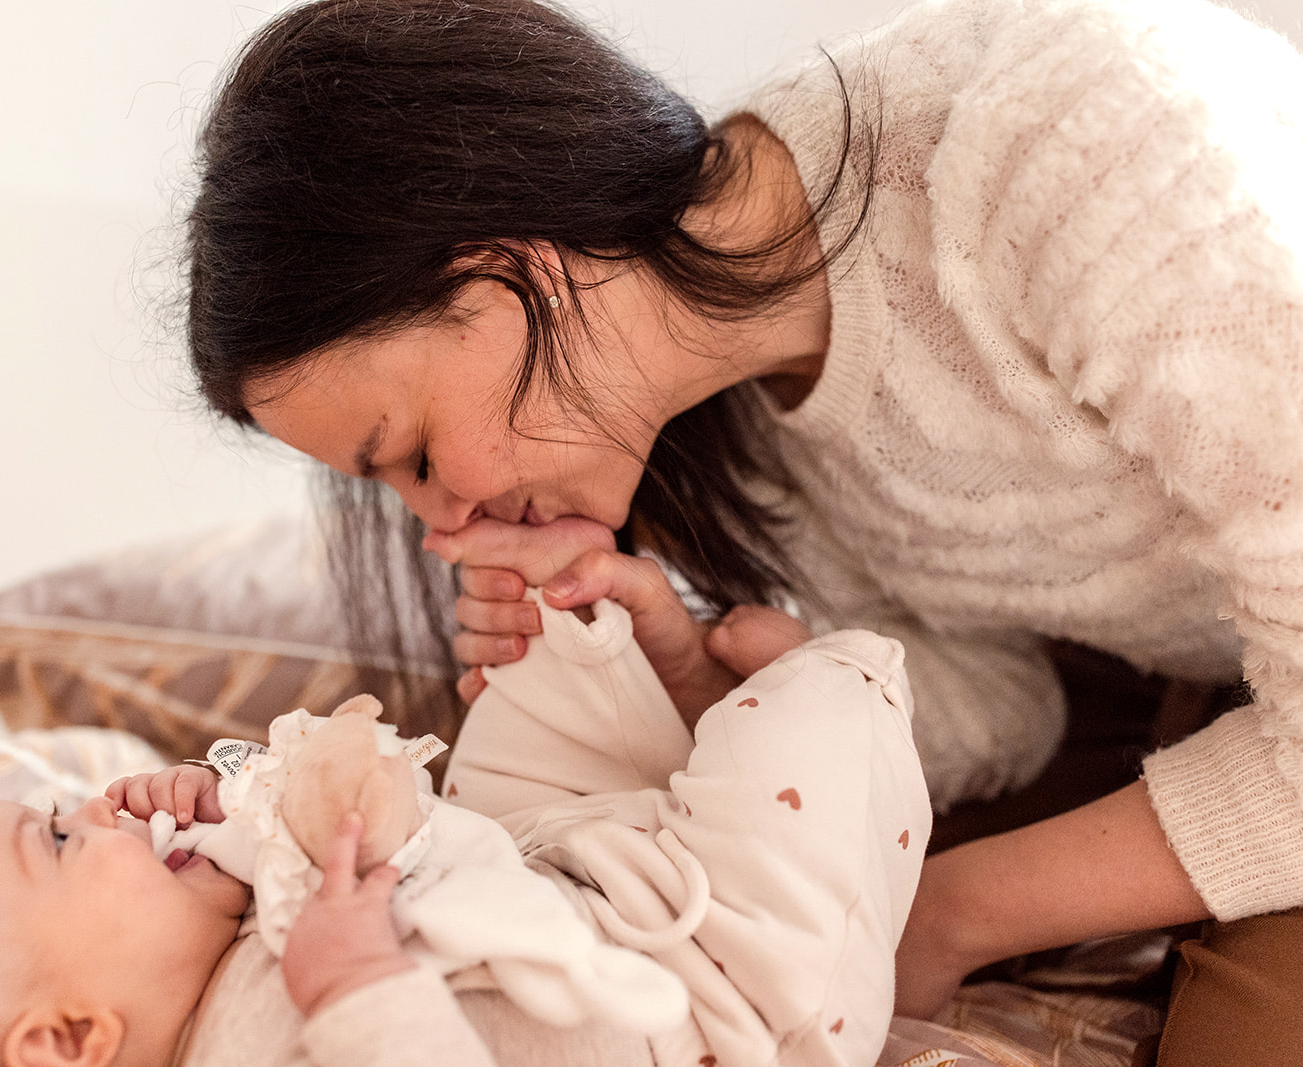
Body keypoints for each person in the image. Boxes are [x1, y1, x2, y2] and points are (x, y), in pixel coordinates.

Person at [182, 0, 1303, 1061]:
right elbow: (1012, 701)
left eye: (417, 457)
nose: (443, 532)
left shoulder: (1068, 146)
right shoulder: (714, 424)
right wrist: (705, 682)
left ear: (508, 274)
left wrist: (960, 913)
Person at [0, 585, 934, 1067]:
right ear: (66, 1038)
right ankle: (809, 693)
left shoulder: (191, 969)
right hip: (707, 1000)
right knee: (805, 756)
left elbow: (336, 828)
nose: (101, 807)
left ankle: (668, 711)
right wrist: (361, 994)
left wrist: (227, 808)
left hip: (542, 884)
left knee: (517, 712)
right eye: (62, 840)